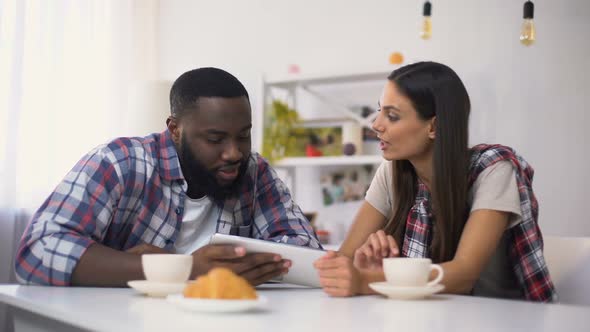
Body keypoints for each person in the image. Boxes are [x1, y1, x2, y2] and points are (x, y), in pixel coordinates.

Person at [15, 67, 321, 287]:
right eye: (215, 139)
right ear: (175, 130)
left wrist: (229, 265)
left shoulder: (254, 172)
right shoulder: (119, 162)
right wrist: (179, 268)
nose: (234, 153)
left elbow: (305, 251)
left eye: (243, 136)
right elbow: (37, 251)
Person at [313, 62, 557, 302]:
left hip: (511, 321)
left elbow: (463, 275)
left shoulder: (493, 169)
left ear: (434, 126)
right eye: (379, 111)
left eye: (392, 116)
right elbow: (345, 258)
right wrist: (361, 266)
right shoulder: (392, 172)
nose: (376, 125)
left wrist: (369, 280)